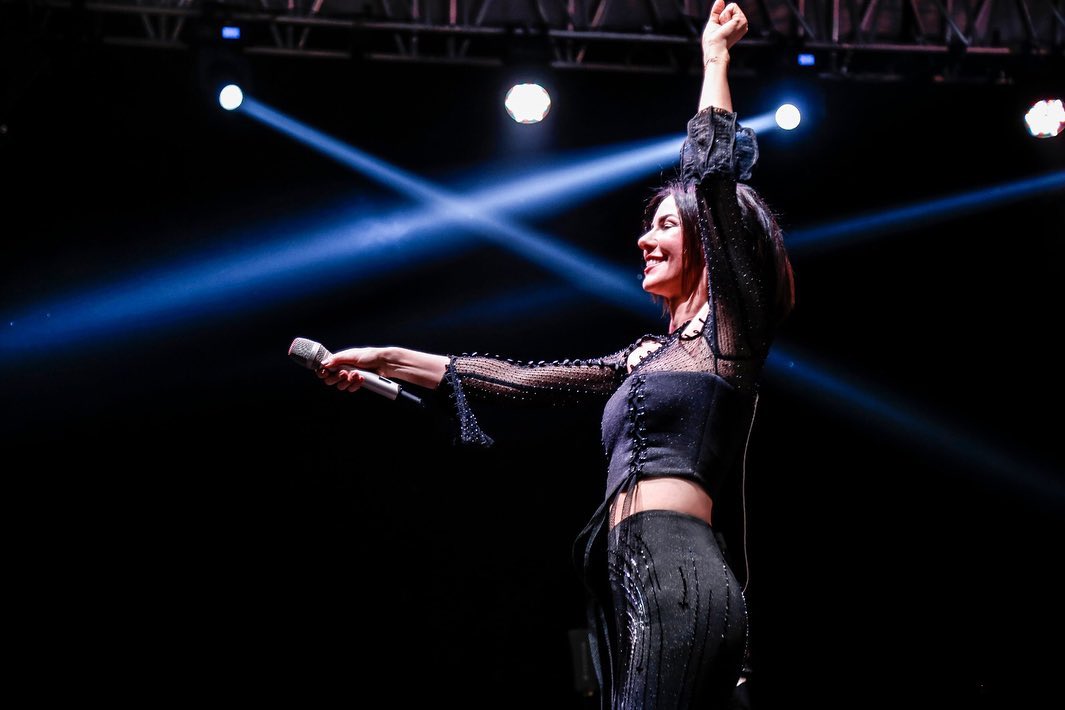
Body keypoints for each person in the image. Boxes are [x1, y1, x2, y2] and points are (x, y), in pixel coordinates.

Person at [315, 2, 794, 707]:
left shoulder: (731, 334)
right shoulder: (643, 357)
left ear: (706, 240)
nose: (644, 239)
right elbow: (517, 381)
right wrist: (384, 357)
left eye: (666, 225)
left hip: (681, 575)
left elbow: (714, 180)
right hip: (628, 584)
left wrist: (715, 59)